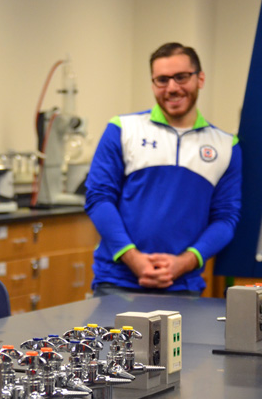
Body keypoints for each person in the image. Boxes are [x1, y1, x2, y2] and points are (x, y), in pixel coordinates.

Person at [85, 42, 241, 297]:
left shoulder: (226, 145)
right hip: (116, 283)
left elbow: (226, 218)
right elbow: (98, 199)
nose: (172, 88)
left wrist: (186, 262)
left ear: (200, 78)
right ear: (153, 83)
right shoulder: (122, 129)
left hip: (183, 285)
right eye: (162, 80)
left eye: (181, 77)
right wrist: (133, 258)